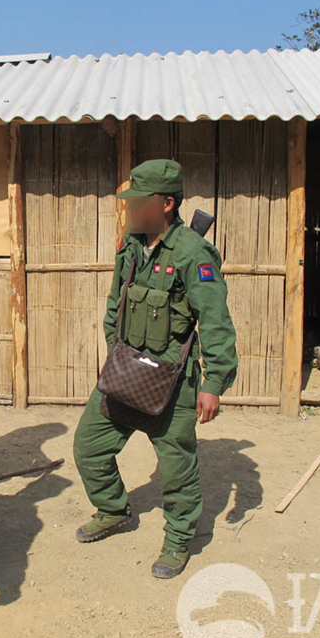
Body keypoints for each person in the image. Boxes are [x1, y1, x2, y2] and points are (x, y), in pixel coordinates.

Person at [73, 159, 239, 579]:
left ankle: (180, 538)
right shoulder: (131, 246)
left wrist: (214, 382)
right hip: (127, 372)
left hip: (172, 380)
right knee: (89, 447)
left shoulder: (192, 254)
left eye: (137, 202)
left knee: (177, 467)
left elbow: (215, 321)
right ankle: (113, 509)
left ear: (166, 203)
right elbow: (115, 307)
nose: (129, 209)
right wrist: (117, 354)